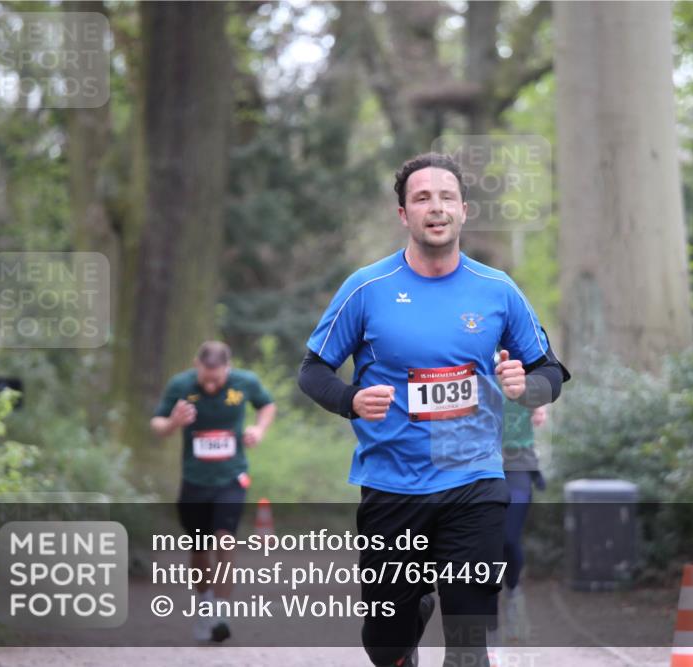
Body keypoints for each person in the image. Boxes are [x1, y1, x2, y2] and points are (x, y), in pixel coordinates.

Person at [298, 152, 569, 667]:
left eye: (446, 197)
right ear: (403, 214)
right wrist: (350, 400)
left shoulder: (497, 290)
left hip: (474, 481)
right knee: (386, 644)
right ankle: (413, 608)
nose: (436, 207)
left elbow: (550, 372)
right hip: (393, 486)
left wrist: (527, 387)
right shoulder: (366, 288)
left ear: (464, 210)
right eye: (422, 198)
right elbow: (312, 370)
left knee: (469, 643)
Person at [150, 340, 276, 643]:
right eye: (205, 378)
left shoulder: (245, 382)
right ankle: (205, 603)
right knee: (199, 548)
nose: (209, 385)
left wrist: (259, 430)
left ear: (227, 369)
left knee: (225, 539)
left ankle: (220, 612)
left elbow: (267, 405)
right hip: (194, 479)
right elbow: (157, 423)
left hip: (231, 477)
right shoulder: (180, 385)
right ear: (197, 365)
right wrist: (173, 423)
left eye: (216, 379)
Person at [497, 400, 547, 644]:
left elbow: (547, 373)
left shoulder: (522, 364)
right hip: (478, 463)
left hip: (518, 465)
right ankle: (484, 611)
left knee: (509, 538)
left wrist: (541, 402)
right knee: (484, 541)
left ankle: (513, 593)